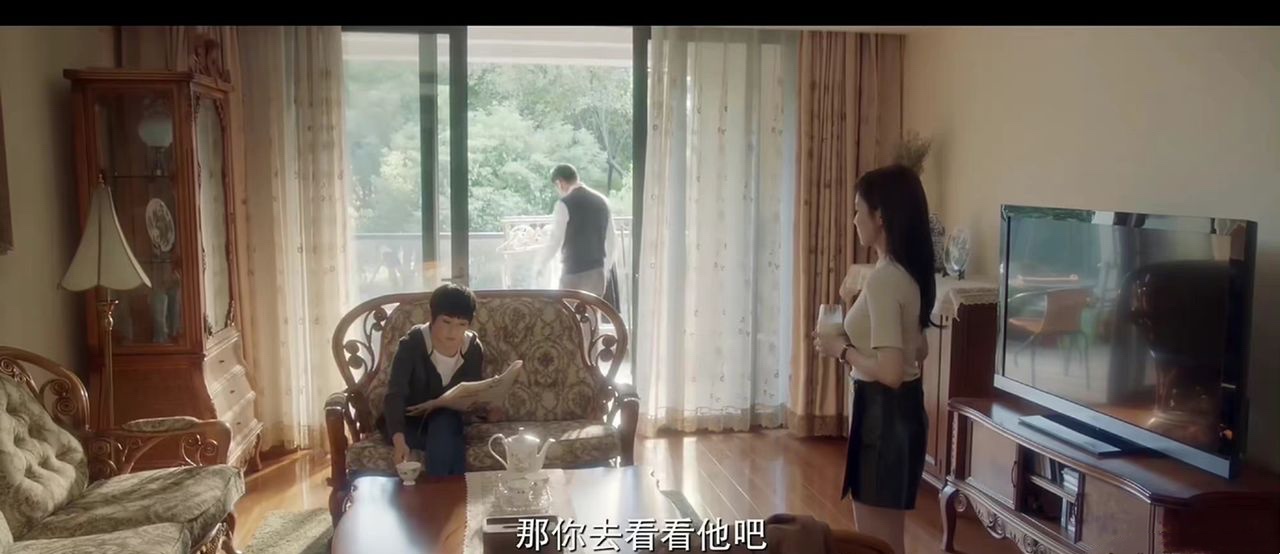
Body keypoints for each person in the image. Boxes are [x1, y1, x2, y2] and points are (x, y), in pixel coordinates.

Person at [812, 164, 937, 554]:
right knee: (888, 543)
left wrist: (842, 351)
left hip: (884, 419)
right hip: (901, 417)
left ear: (879, 216)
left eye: (857, 210)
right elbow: (919, 350)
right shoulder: (904, 272)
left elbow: (891, 373)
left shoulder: (885, 279)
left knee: (875, 546)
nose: (853, 220)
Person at [380, 282, 490, 476]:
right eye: (446, 322)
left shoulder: (473, 348)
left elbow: (471, 394)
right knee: (449, 439)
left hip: (449, 422)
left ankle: (438, 491)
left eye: (461, 325)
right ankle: (454, 491)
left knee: (445, 423)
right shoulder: (412, 344)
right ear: (431, 317)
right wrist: (399, 440)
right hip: (411, 425)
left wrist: (486, 408)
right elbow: (395, 394)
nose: (453, 332)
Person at [535, 163, 620, 303]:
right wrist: (606, 269)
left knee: (569, 314)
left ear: (560, 183)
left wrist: (541, 264)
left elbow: (555, 240)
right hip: (596, 272)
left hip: (572, 273)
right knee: (592, 313)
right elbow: (611, 239)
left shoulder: (564, 204)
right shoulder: (602, 201)